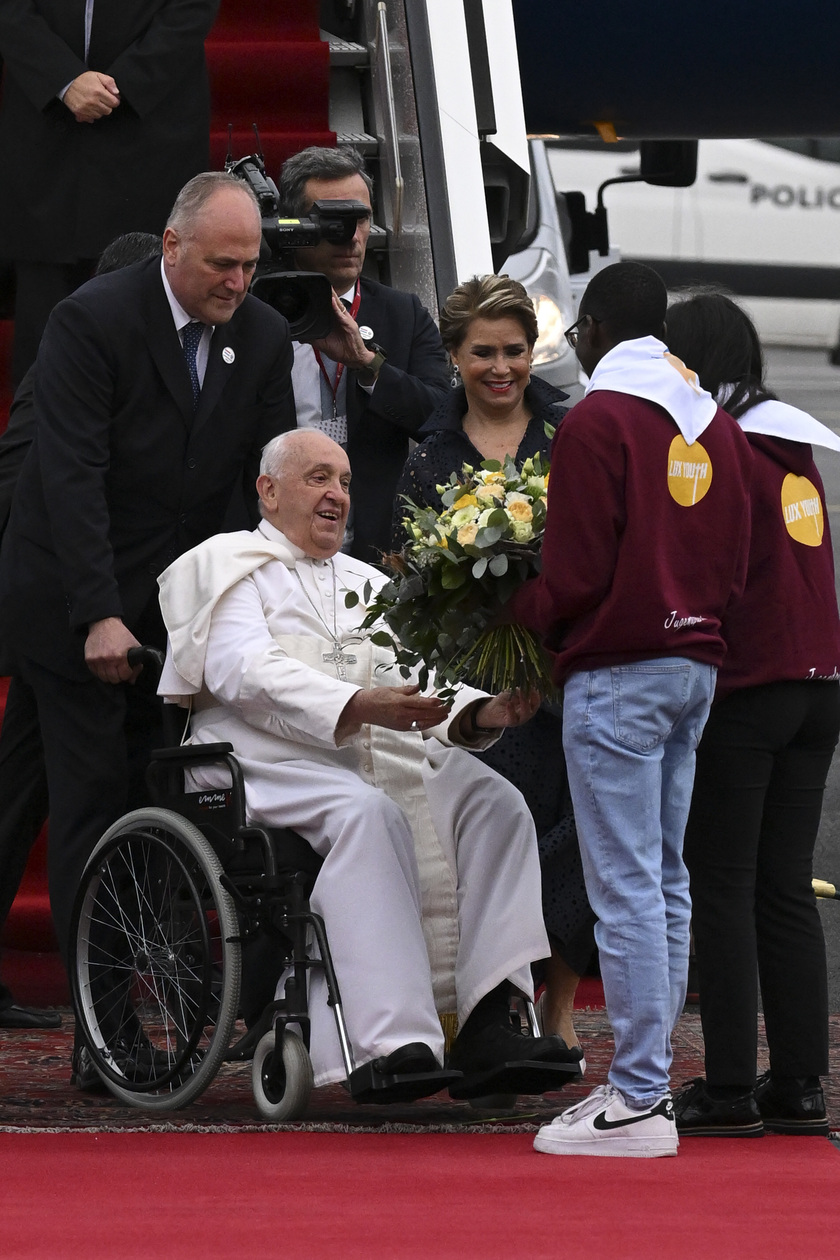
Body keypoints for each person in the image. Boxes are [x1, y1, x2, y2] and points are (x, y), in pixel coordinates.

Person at [157, 429, 583, 1099]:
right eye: (318, 478)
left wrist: (478, 712)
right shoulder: (227, 564)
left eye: (346, 481)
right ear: (267, 491)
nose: (337, 495)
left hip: (365, 750)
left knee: (497, 805)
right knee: (368, 813)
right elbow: (244, 671)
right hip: (259, 759)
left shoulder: (365, 581)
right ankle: (391, 1040)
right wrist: (357, 703)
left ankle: (487, 1020)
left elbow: (411, 676)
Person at [0, 172, 296, 1001]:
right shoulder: (93, 319)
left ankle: (166, 986)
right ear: (172, 247)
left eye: (250, 265)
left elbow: (262, 486)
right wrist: (97, 614)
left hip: (178, 610)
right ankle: (107, 1026)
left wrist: (264, 606)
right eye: (222, 264)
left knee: (160, 791)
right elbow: (71, 476)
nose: (238, 281)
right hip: (73, 598)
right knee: (92, 803)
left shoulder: (263, 336)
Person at [507, 261, 754, 1158]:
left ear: (600, 328)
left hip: (619, 670)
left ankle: (641, 1096)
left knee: (624, 891)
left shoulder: (599, 419)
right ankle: (646, 1086)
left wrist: (513, 611)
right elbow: (736, 563)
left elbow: (572, 576)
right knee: (665, 881)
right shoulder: (713, 423)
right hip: (695, 666)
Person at [391, 274, 595, 1056]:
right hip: (480, 683)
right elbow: (409, 576)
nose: (502, 367)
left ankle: (561, 1000)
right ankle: (499, 993)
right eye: (484, 352)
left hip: (571, 666)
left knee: (585, 832)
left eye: (515, 350)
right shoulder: (428, 453)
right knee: (498, 834)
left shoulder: (573, 431)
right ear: (453, 355)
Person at [665, 292, 840, 1138]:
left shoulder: (714, 443)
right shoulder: (791, 440)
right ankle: (802, 1084)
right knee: (784, 888)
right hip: (818, 683)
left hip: (748, 689)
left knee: (722, 887)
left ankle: (728, 1085)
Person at [0, 232, 164, 1031]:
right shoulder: (70, 369)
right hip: (56, 615)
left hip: (66, 614)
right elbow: (25, 477)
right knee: (64, 799)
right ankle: (104, 1014)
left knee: (18, 792)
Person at [0, 0, 220, 386]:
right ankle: (37, 435)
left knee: (145, 289)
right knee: (44, 310)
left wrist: (121, 86)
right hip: (46, 124)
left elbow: (191, 9)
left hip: (149, 123)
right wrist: (64, 80)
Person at [278, 145, 451, 563]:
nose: (353, 237)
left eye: (362, 219)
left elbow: (442, 418)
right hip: (275, 541)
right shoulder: (257, 313)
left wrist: (369, 365)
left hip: (377, 547)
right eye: (334, 221)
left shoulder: (402, 313)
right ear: (296, 225)